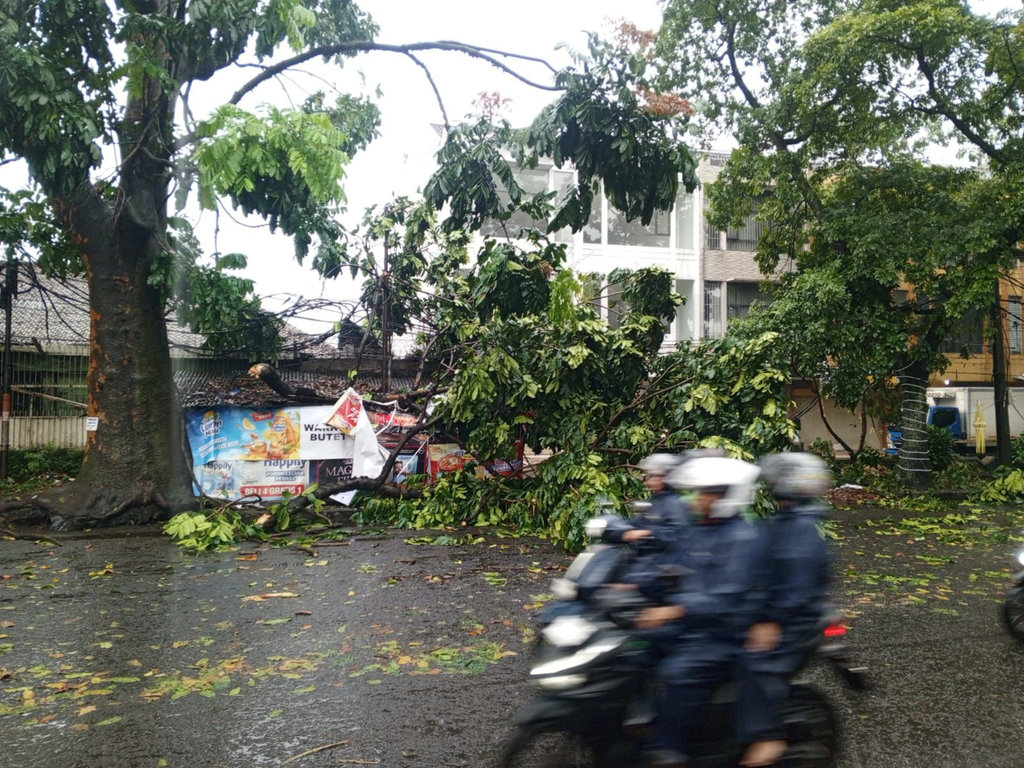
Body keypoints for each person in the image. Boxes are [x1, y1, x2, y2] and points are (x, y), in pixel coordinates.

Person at [633, 456, 764, 768]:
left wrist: (672, 611)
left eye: (707, 493)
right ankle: (642, 724)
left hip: (724, 632)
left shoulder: (742, 538)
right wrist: (630, 587)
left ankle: (670, 750)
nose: (698, 498)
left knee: (682, 672)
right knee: (634, 649)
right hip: (693, 624)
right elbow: (672, 568)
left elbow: (725, 597)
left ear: (726, 497)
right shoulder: (702, 529)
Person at [736, 452, 834, 767]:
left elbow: (797, 590)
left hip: (792, 623)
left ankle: (768, 738)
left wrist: (769, 621)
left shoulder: (802, 528)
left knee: (754, 661)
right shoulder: (784, 520)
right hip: (775, 611)